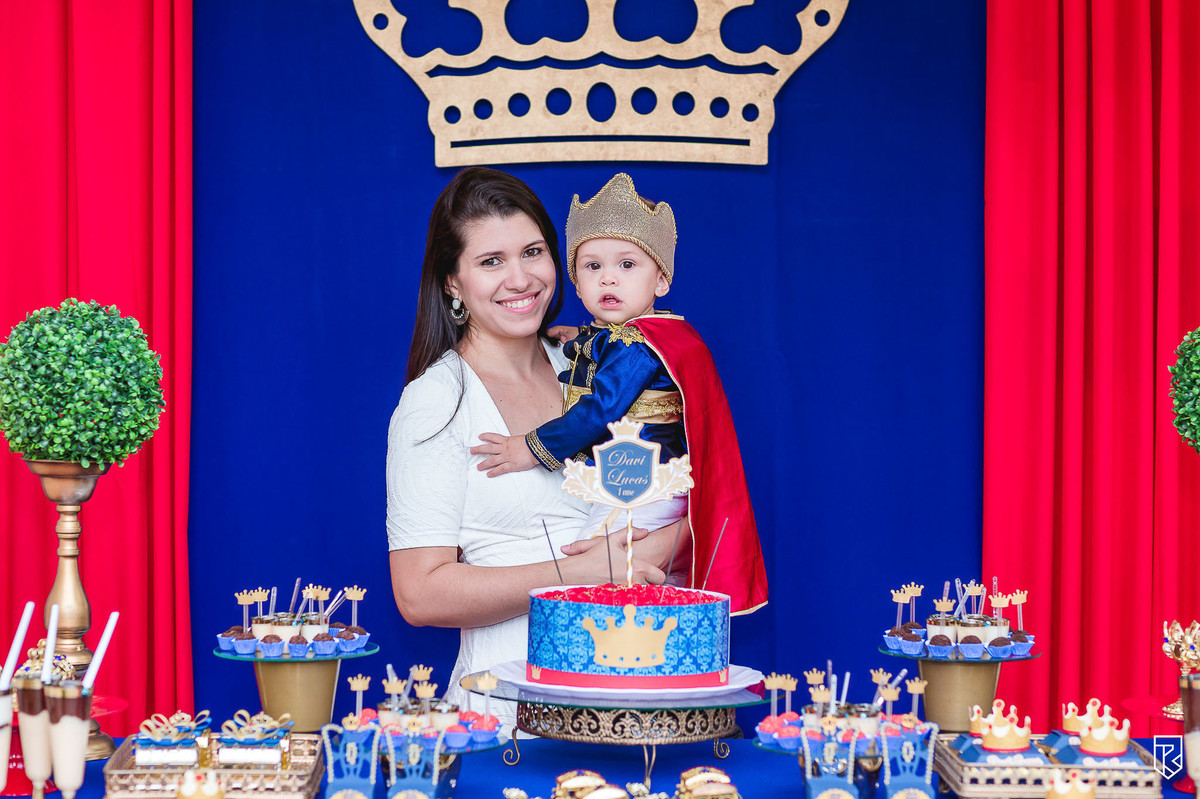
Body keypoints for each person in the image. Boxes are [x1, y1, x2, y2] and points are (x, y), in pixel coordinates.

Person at [385, 167, 683, 732]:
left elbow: (689, 503)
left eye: (533, 252)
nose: (520, 279)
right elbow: (419, 595)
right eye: (491, 261)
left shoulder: (592, 369)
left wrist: (641, 552)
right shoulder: (437, 402)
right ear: (452, 282)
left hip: (634, 693)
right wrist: (585, 573)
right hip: (505, 712)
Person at [472, 173, 768, 615]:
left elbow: (600, 409)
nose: (608, 279)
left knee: (595, 569)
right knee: (629, 578)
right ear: (576, 281)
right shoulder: (653, 336)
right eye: (593, 267)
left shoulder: (638, 346)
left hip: (639, 488)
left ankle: (623, 658)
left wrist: (530, 448)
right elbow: (610, 346)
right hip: (643, 486)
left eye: (627, 265)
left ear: (661, 279)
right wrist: (580, 339)